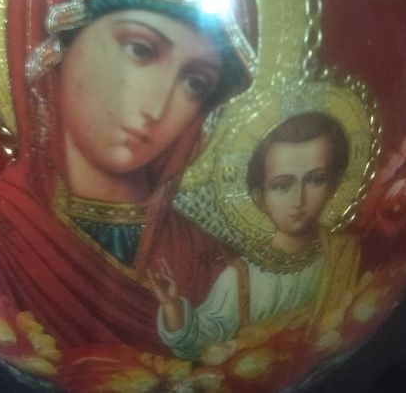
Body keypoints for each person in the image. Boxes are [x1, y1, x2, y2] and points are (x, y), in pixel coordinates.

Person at [0, 0, 258, 351]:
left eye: (195, 82)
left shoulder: (212, 266)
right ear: (58, 43)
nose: (157, 107)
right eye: (141, 49)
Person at [153, 112, 361, 360]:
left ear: (333, 186)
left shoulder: (342, 253)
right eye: (282, 185)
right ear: (260, 197)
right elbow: (207, 342)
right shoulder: (241, 278)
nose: (299, 199)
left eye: (316, 180)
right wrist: (172, 307)